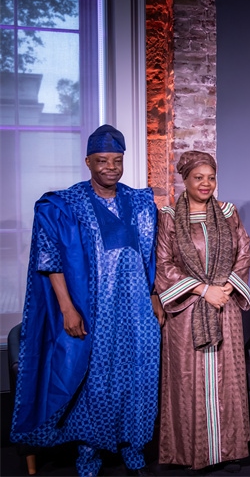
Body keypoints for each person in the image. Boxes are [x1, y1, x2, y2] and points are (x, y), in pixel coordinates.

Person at [11, 125, 162, 477]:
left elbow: (149, 256)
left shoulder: (140, 201)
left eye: (117, 160)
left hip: (136, 310)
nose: (110, 167)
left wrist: (154, 295)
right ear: (88, 162)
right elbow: (50, 259)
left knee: (138, 377)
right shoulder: (66, 205)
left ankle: (134, 449)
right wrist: (67, 308)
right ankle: (89, 455)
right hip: (94, 309)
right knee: (94, 383)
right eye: (102, 160)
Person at [155, 151, 250, 471]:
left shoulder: (228, 212)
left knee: (227, 381)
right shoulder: (169, 216)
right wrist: (202, 289)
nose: (206, 184)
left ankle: (229, 449)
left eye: (211, 177)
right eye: (198, 177)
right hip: (187, 312)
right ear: (184, 179)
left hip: (224, 307)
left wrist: (225, 288)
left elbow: (243, 253)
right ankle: (191, 452)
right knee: (188, 382)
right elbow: (163, 264)